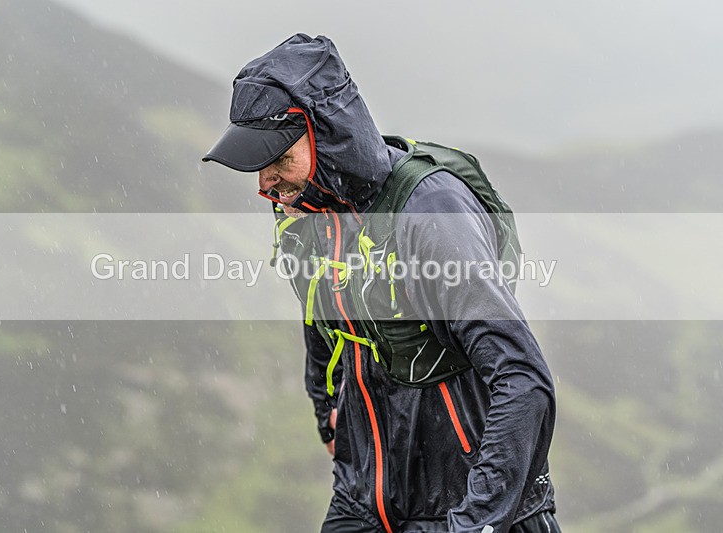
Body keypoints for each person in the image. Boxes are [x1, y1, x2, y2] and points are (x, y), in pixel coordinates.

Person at [202, 34, 560, 533]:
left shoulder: (429, 211)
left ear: (325, 138)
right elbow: (320, 313)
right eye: (258, 164)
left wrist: (476, 520)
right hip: (362, 500)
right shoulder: (305, 212)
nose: (265, 184)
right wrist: (326, 410)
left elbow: (524, 379)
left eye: (279, 159)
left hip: (465, 508)